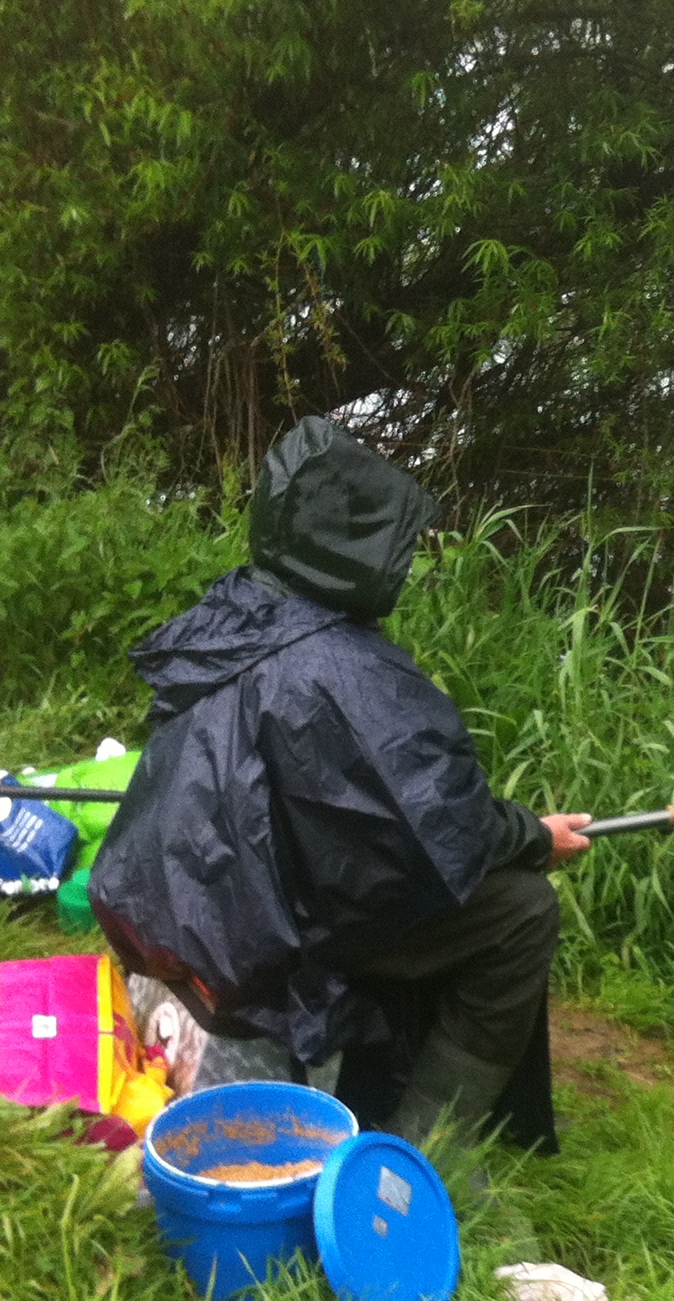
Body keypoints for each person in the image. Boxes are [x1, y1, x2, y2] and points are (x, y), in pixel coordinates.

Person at [91, 415, 592, 1145]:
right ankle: (426, 1143)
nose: (407, 561)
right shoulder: (345, 669)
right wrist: (534, 838)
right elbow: (440, 826)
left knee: (413, 890)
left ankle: (396, 1089)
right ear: (354, 546)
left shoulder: (230, 609)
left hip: (176, 899)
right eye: (399, 543)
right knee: (521, 910)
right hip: (251, 931)